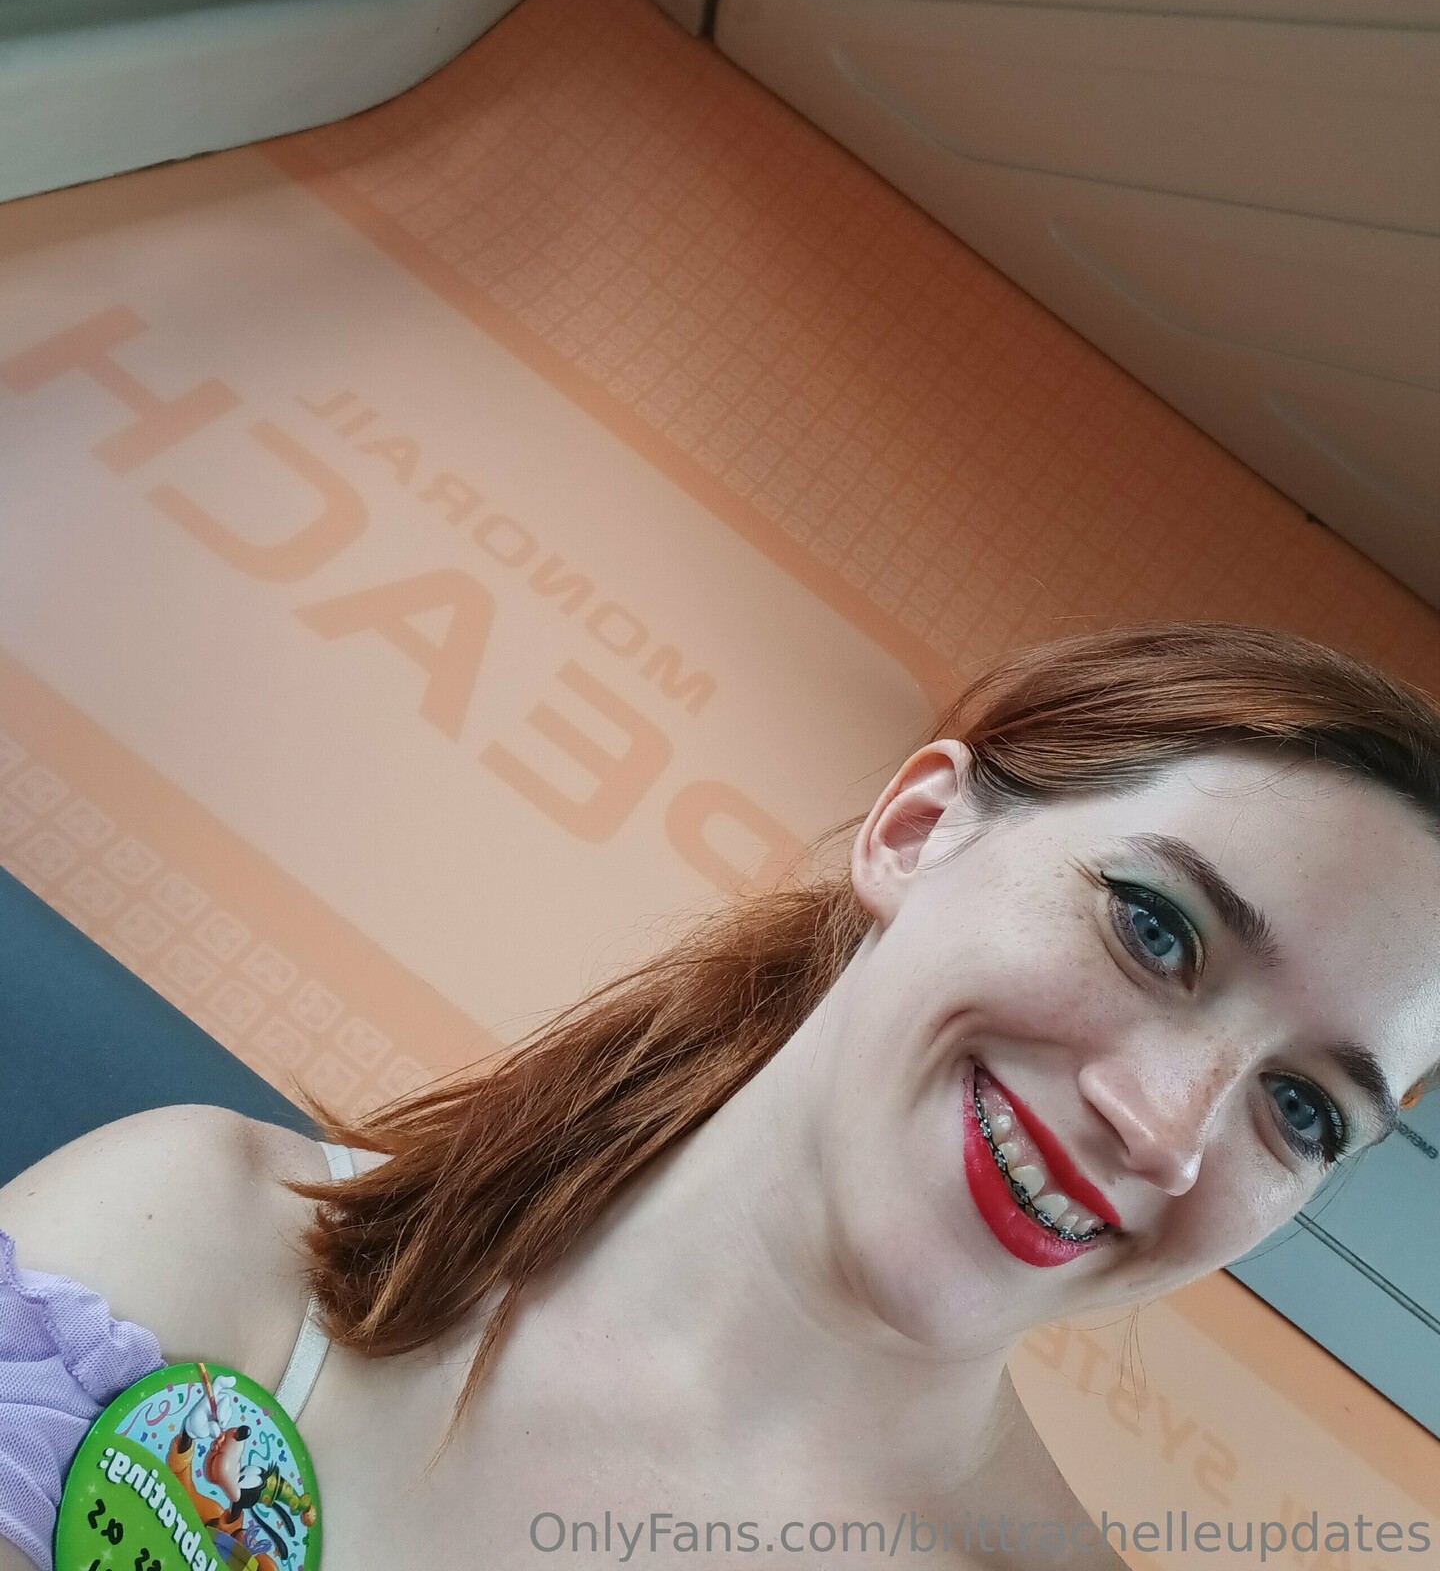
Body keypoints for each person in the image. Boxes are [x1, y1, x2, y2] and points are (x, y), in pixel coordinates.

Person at [3, 622, 1438, 1570]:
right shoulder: (190, 1242)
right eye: (1156, 929)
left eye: (1305, 1110)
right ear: (919, 831)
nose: (1168, 1127)